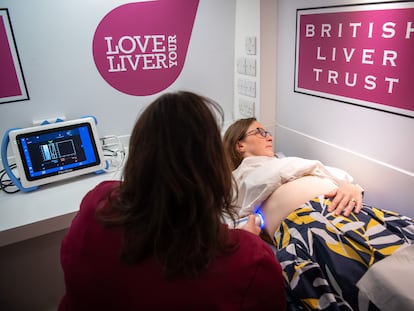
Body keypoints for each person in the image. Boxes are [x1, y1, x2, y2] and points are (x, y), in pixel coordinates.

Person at [58, 92, 286, 311]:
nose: (269, 136)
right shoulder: (250, 260)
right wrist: (245, 242)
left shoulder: (97, 202)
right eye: (259, 132)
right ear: (214, 164)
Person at [223, 117, 414, 311]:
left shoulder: (290, 162)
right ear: (240, 145)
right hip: (309, 230)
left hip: (349, 212)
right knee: (370, 281)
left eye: (268, 132)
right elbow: (231, 222)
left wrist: (351, 188)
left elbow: (341, 180)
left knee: (402, 259)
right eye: (260, 132)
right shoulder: (236, 180)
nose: (269, 137)